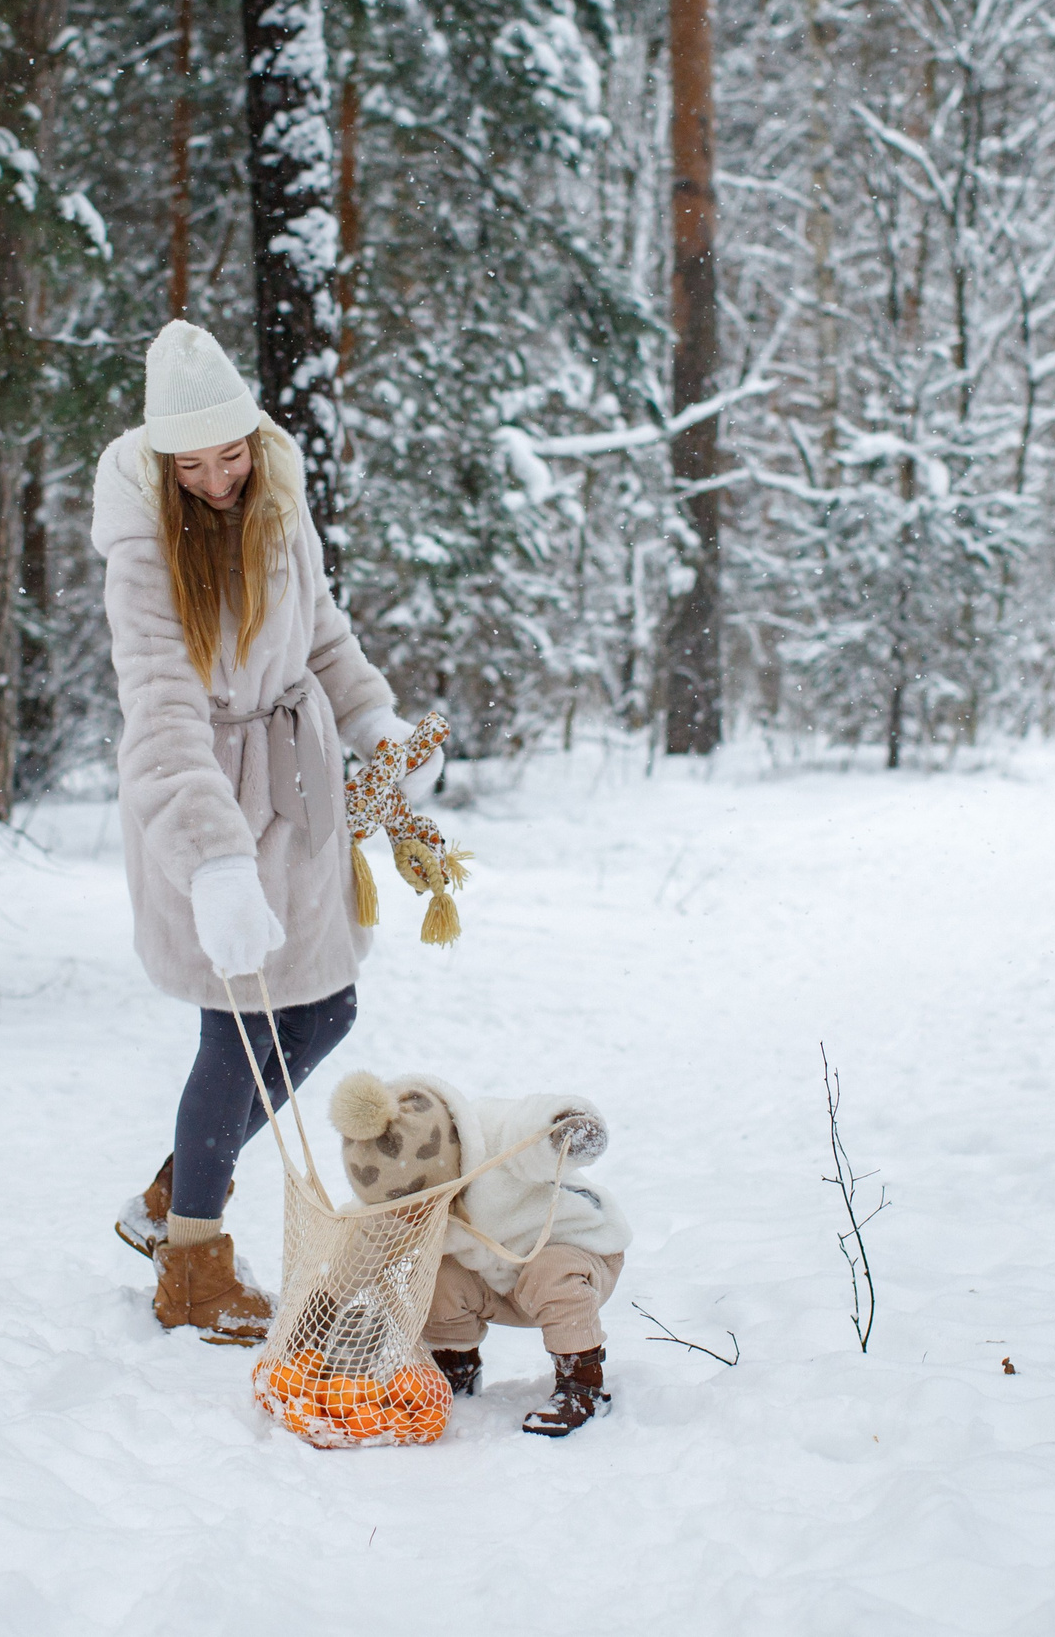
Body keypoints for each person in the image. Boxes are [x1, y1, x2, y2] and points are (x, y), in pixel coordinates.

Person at [91, 321, 439, 1344]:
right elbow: (159, 714)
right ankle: (192, 1268)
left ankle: (175, 1193)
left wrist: (376, 723)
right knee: (235, 1031)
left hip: (299, 785)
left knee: (324, 1011)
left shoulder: (279, 504)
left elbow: (323, 632)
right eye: (189, 463)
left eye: (229, 453)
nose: (214, 479)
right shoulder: (143, 554)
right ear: (161, 461)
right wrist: (212, 863)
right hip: (204, 797)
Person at [328, 1070, 631, 1437]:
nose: (413, 1216)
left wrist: (565, 1128)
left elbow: (530, 1125)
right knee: (436, 1278)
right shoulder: (399, 1200)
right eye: (401, 1209)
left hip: (579, 1260)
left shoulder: (494, 1139)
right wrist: (325, 1304)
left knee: (551, 1272)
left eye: (421, 1203)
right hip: (496, 1281)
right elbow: (366, 1249)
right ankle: (455, 1368)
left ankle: (582, 1383)